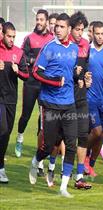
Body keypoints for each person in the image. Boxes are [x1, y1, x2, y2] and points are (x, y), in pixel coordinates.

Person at [29, 13, 79, 198]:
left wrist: (78, 77)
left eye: (61, 26)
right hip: (50, 103)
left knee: (71, 144)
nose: (57, 29)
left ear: (69, 29)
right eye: (56, 26)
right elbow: (36, 72)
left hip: (69, 104)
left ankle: (63, 187)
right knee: (49, 146)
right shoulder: (49, 47)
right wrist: (55, 82)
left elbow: (70, 72)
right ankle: (35, 161)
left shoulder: (74, 49)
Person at [45, 11, 92, 190]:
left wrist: (87, 77)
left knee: (83, 135)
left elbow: (84, 67)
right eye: (77, 29)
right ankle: (50, 167)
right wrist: (74, 75)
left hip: (81, 97)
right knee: (56, 139)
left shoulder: (85, 45)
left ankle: (78, 176)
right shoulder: (64, 47)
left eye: (82, 30)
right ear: (70, 29)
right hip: (63, 98)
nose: (80, 33)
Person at [15, 9, 53, 162]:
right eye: (37, 19)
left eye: (41, 19)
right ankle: (20, 137)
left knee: (43, 117)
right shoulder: (29, 38)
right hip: (31, 83)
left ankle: (41, 146)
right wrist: (33, 60)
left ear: (47, 21)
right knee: (26, 115)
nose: (38, 22)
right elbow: (20, 56)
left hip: (45, 84)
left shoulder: (52, 39)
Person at [0, 22, 29, 183]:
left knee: (6, 133)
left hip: (11, 100)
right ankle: (1, 168)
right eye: (9, 36)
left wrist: (18, 72)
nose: (11, 39)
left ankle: (0, 165)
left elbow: (27, 75)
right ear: (2, 35)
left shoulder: (18, 53)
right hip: (0, 99)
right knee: (2, 129)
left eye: (13, 37)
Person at [85, 21, 103, 178]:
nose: (100, 36)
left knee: (102, 133)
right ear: (92, 33)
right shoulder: (86, 51)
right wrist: (83, 76)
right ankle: (83, 154)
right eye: (97, 33)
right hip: (90, 98)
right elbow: (78, 69)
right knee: (96, 131)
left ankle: (91, 164)